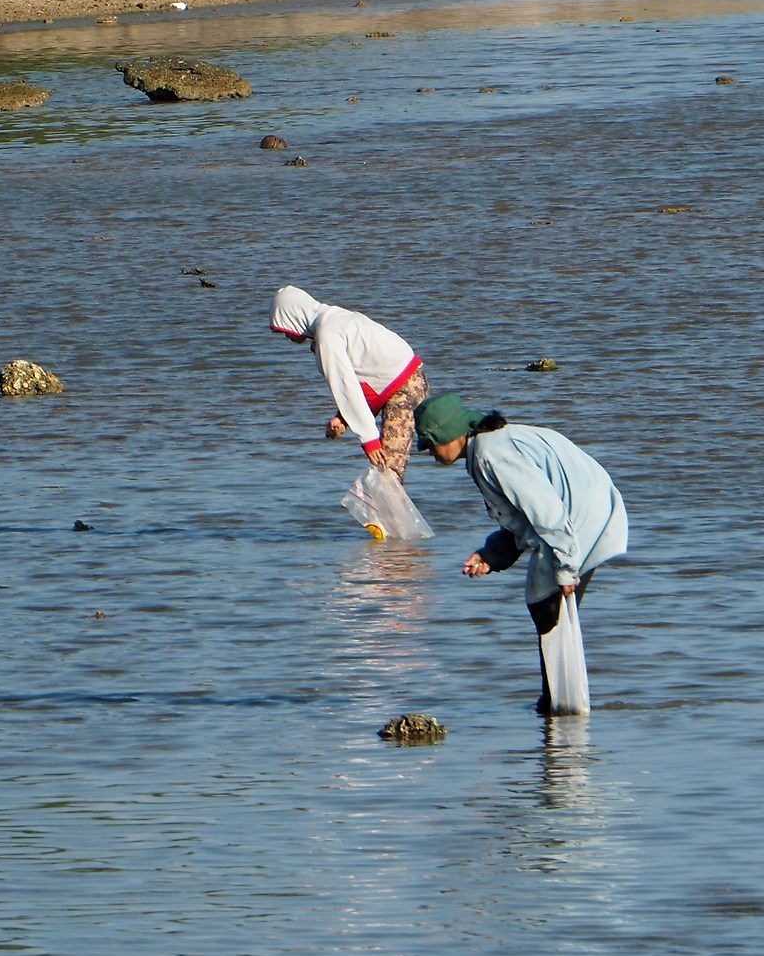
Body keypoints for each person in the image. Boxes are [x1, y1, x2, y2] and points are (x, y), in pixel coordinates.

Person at [415, 391, 629, 712]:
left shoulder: (490, 455)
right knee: (549, 607)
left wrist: (566, 567)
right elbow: (524, 515)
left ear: (453, 433)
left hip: (577, 520)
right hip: (588, 512)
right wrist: (492, 555)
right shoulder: (490, 445)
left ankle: (558, 701)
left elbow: (546, 512)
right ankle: (557, 698)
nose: (429, 451)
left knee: (545, 603)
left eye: (431, 443)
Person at [269, 287, 430, 478]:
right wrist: (344, 418)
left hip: (403, 388)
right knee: (387, 472)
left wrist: (369, 439)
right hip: (409, 379)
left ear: (293, 317)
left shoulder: (327, 335)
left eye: (283, 329)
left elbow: (345, 385)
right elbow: (367, 375)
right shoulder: (335, 317)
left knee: (388, 472)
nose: (286, 336)